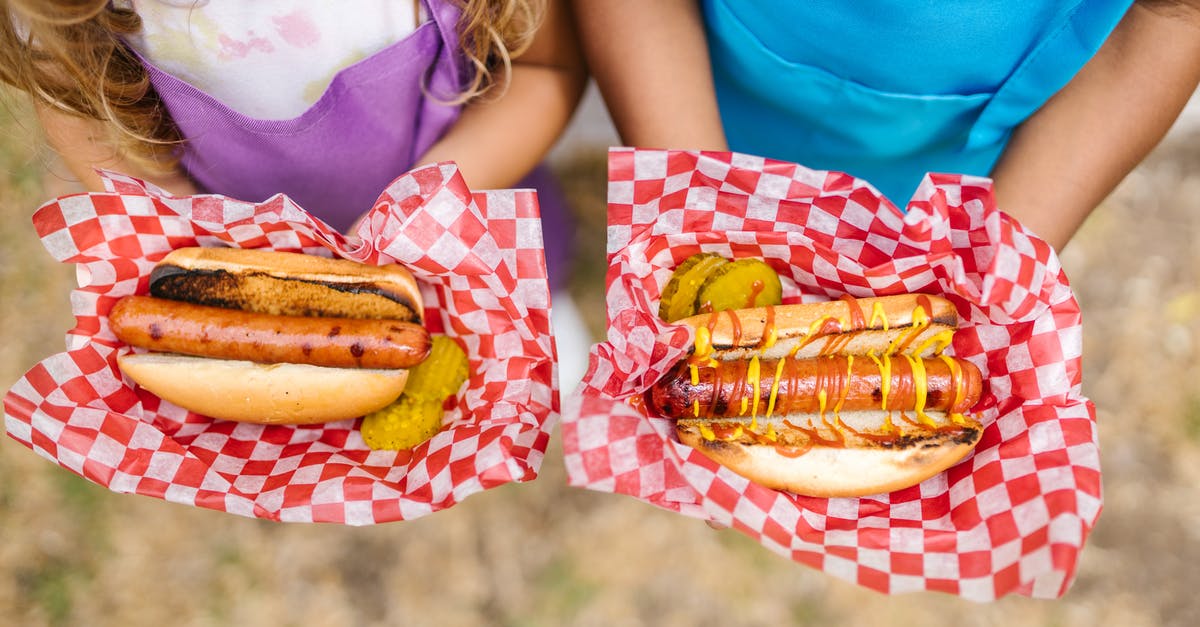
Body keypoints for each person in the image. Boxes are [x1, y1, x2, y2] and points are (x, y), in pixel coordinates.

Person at [0, 0, 593, 389]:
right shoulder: (68, 12)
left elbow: (545, 72)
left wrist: (413, 208)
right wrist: (196, 238)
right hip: (234, 239)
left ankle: (543, 321)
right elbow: (83, 119)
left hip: (462, 193)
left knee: (530, 269)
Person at [574, 0, 1200, 252]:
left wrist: (994, 260)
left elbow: (1172, 15)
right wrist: (703, 205)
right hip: (699, 82)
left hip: (972, 155)